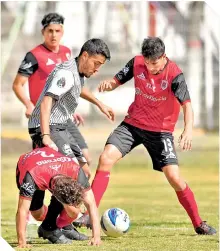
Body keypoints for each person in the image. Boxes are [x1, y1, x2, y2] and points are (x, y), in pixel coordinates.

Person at [74, 37, 216, 235]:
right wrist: (110, 84)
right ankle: (90, 214)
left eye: (154, 63)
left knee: (174, 177)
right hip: (133, 125)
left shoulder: (175, 74)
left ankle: (199, 223)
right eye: (147, 63)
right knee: (105, 158)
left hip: (161, 132)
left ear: (163, 57)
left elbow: (187, 106)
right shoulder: (137, 62)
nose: (149, 68)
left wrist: (188, 129)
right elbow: (118, 79)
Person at [27, 38, 114, 241]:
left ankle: (62, 224)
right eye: (96, 63)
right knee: (68, 173)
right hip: (46, 126)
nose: (97, 69)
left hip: (61, 125)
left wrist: (99, 103)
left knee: (83, 170)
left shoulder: (77, 71)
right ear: (85, 56)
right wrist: (46, 135)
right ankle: (49, 227)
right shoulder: (66, 72)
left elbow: (77, 88)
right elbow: (47, 100)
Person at [12, 12, 91, 165]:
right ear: (43, 32)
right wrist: (28, 104)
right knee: (45, 163)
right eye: (50, 31)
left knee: (85, 159)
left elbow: (68, 84)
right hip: (43, 118)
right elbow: (17, 84)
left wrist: (71, 109)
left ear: (62, 32)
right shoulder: (34, 56)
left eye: (57, 31)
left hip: (62, 116)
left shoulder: (66, 52)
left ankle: (78, 189)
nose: (53, 35)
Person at [16, 146, 101, 248]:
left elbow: (91, 203)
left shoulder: (76, 171)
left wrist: (96, 236)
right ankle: (52, 225)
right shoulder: (32, 177)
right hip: (29, 165)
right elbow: (22, 210)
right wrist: (22, 242)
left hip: (53, 167)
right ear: (58, 198)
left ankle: (54, 227)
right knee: (37, 214)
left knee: (74, 212)